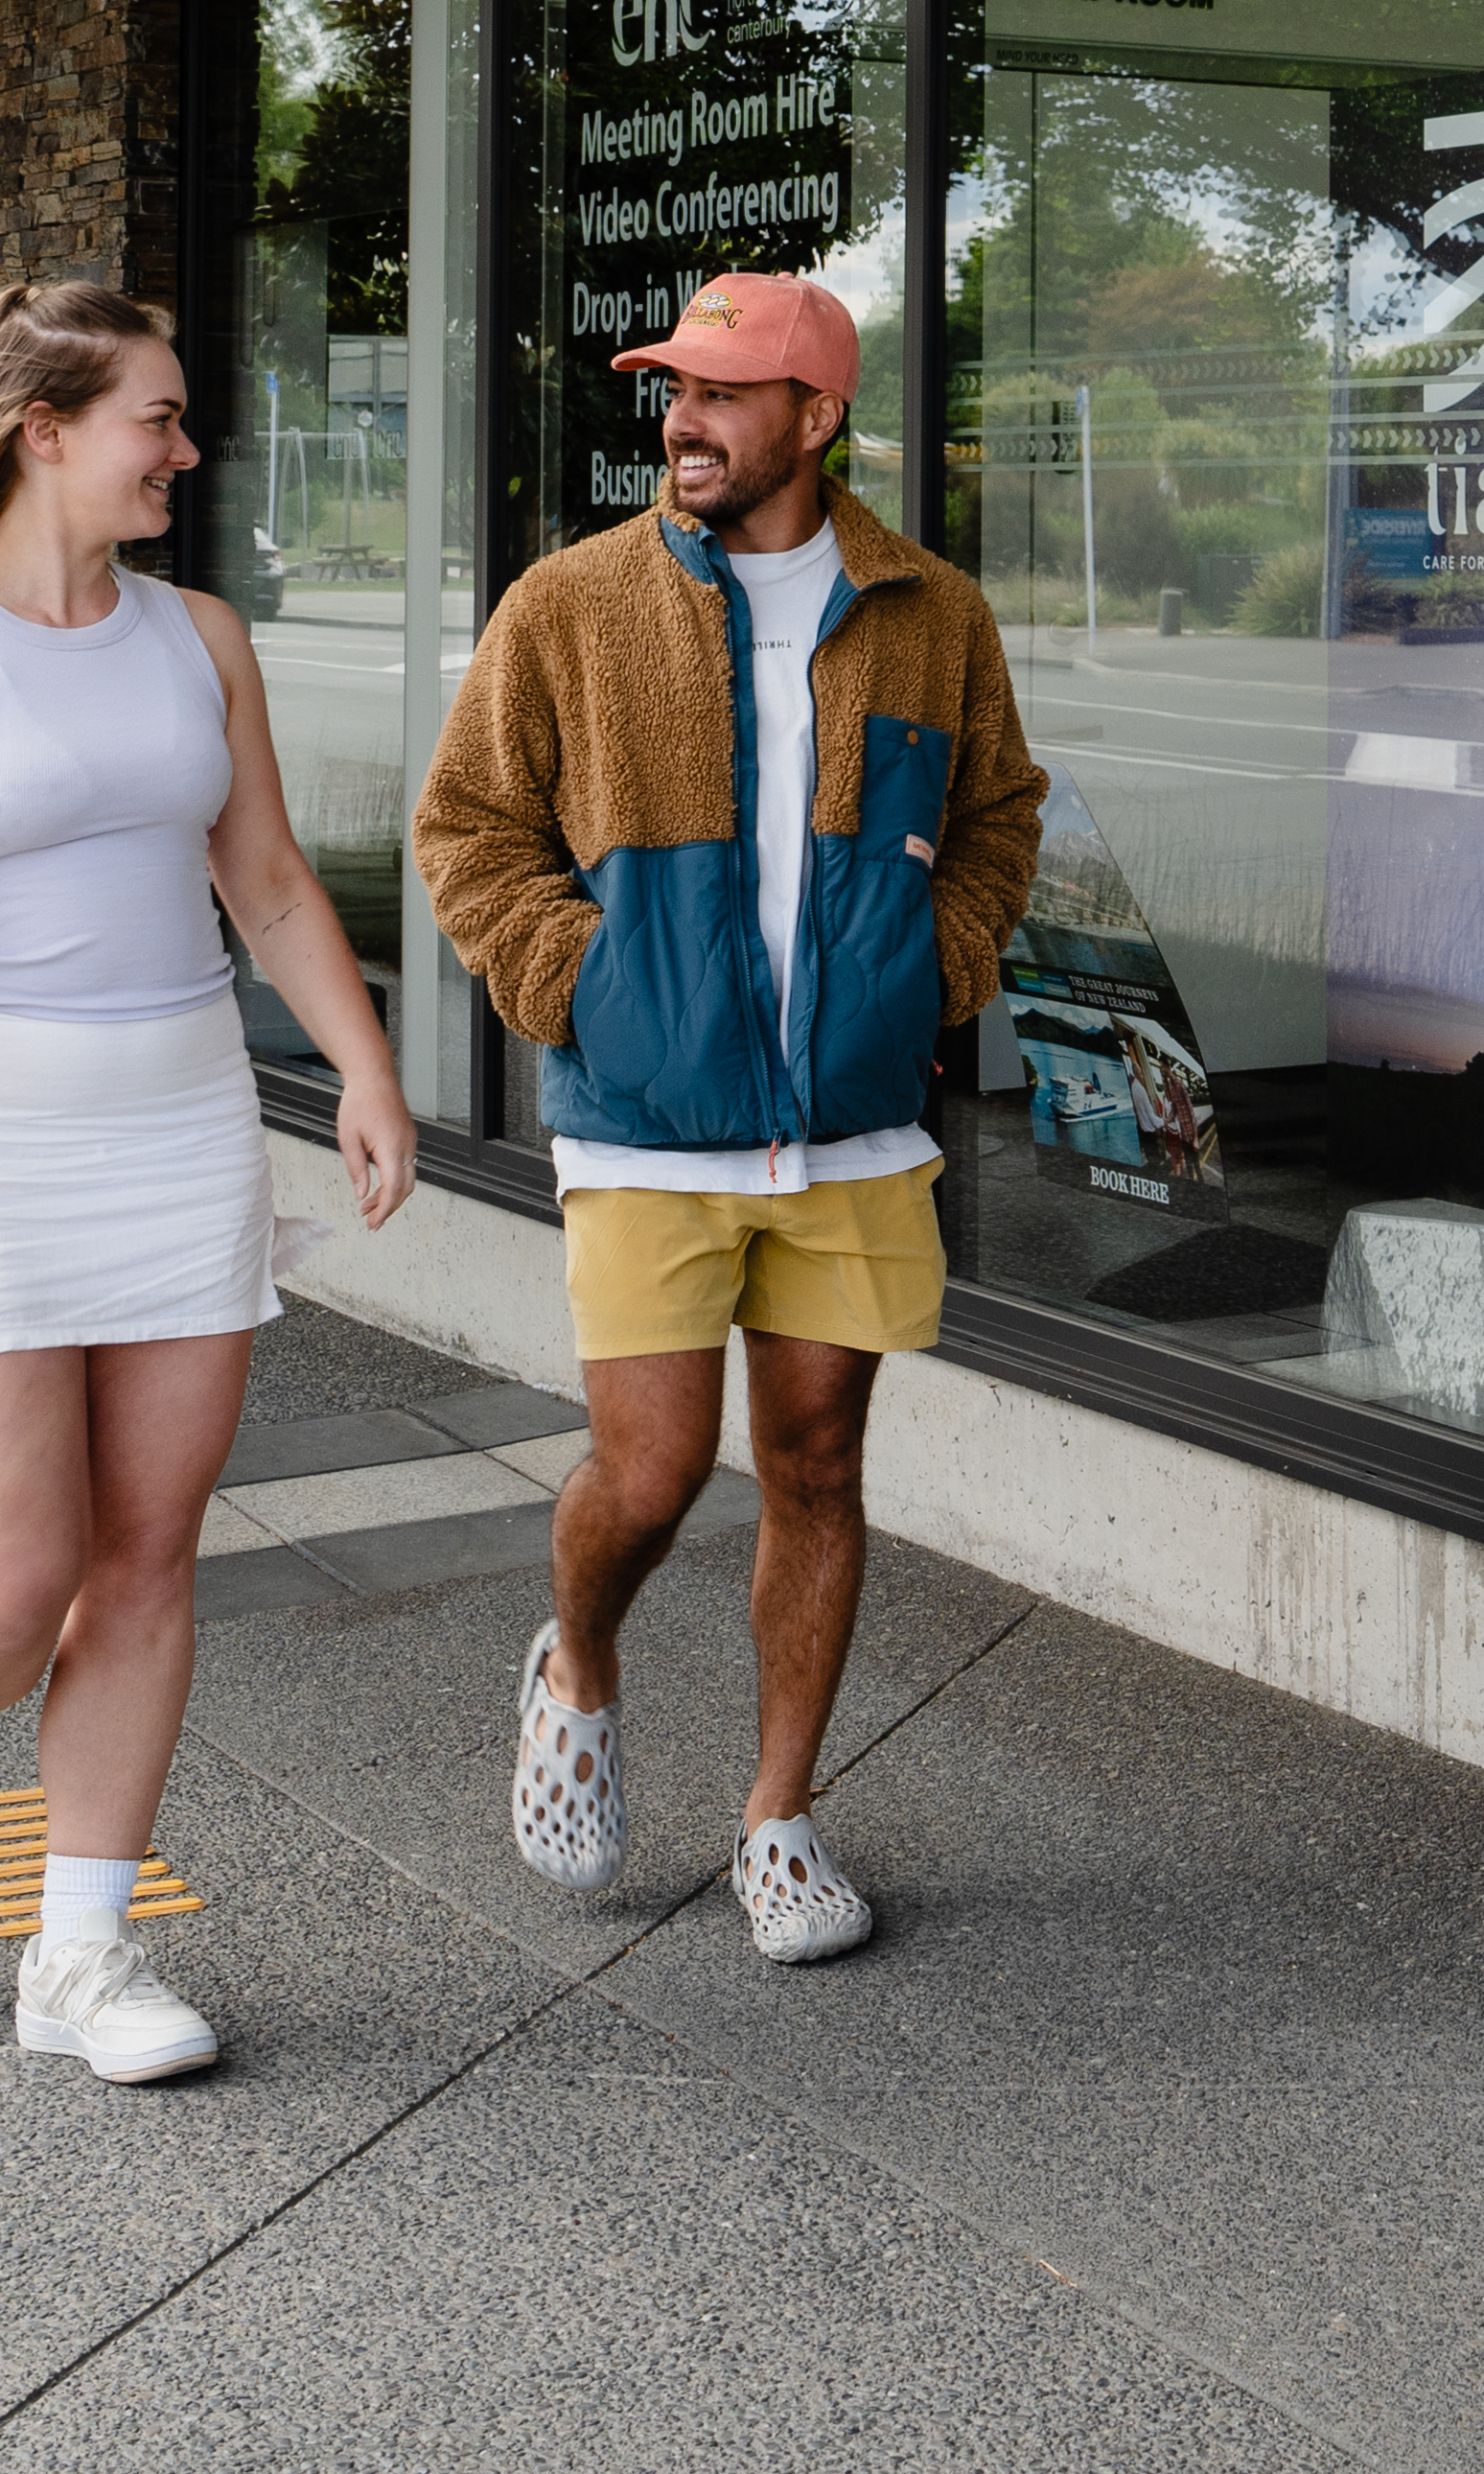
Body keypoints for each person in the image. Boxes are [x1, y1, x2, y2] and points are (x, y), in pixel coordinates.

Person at [0, 280, 417, 2082]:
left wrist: (366, 1069)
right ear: (43, 427)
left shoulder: (198, 636)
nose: (187, 449)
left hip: (178, 1134)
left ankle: (78, 1956)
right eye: (158, 415)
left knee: (145, 1560)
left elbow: (269, 881)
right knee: (10, 1576)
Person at [410, 271, 1045, 1962]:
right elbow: (467, 827)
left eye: (720, 392)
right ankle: (578, 1661)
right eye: (673, 389)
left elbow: (997, 815)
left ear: (816, 418)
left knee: (816, 1459)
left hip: (850, 1125)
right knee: (651, 1468)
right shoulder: (575, 603)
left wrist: (931, 969)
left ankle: (778, 1818)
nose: (680, 420)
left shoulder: (930, 613)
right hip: (643, 1119)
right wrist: (584, 983)